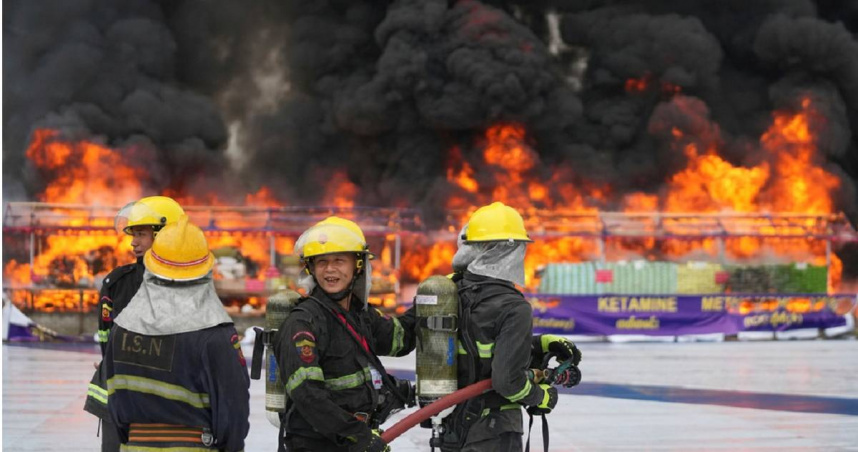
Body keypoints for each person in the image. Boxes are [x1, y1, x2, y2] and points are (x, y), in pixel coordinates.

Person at [438, 201, 582, 452]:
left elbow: (478, 344)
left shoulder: (449, 292)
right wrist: (541, 397)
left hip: (452, 426)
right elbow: (507, 382)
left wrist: (536, 344)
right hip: (494, 432)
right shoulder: (514, 307)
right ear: (510, 249)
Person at [102, 215, 250, 451]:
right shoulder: (214, 335)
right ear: (204, 272)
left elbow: (113, 398)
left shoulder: (121, 328)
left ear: (152, 268)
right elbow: (233, 408)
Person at [273, 216, 417, 452]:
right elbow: (308, 396)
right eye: (322, 262)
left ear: (358, 265)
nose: (330, 269)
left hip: (352, 441)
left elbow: (400, 340)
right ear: (311, 268)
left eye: (339, 260)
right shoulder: (303, 322)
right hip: (317, 446)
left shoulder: (360, 316)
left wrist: (432, 302)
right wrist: (358, 437)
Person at [84, 195, 185, 451]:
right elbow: (106, 337)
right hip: (118, 401)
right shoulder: (117, 283)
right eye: (133, 234)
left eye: (141, 234)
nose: (133, 242)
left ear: (164, 236)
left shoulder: (188, 285)